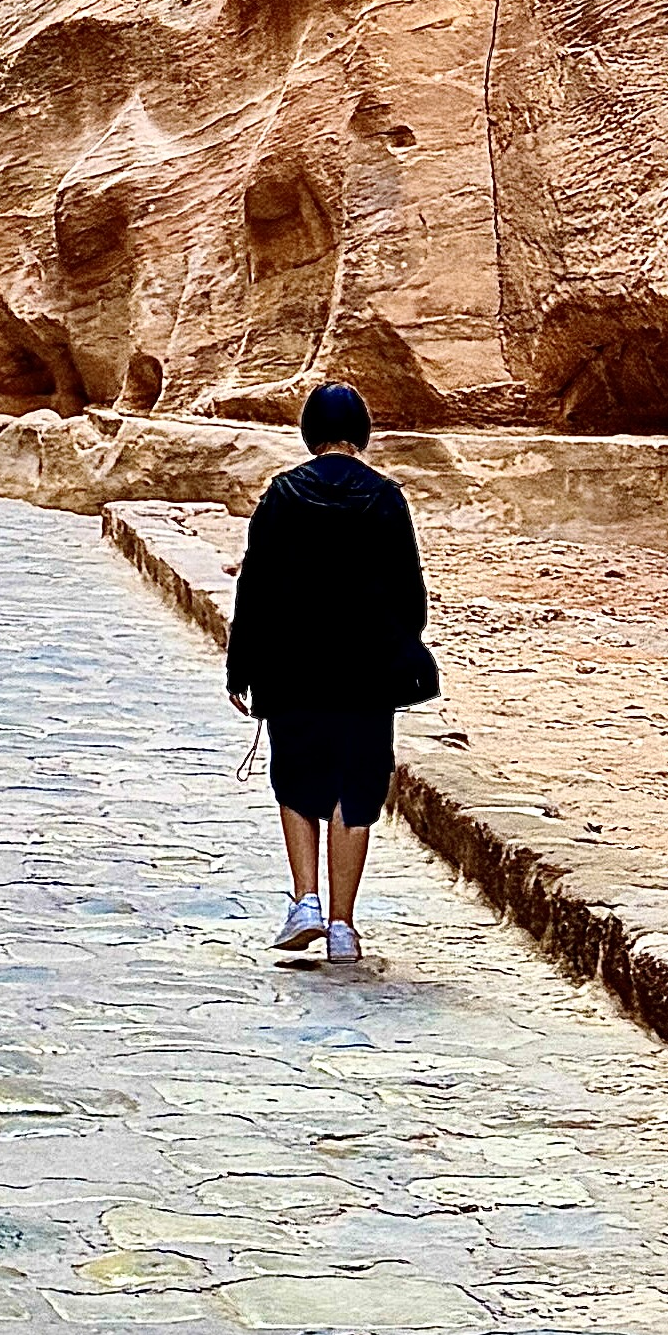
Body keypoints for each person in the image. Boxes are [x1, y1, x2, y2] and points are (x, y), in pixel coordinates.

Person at [224, 378, 437, 969]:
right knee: (356, 789)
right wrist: (399, 646)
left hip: (293, 665)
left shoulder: (282, 495)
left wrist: (241, 665)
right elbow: (409, 593)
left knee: (296, 779)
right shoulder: (388, 498)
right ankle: (344, 926)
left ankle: (305, 902)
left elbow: (256, 587)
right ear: (361, 433)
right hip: (368, 669)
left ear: (309, 432)